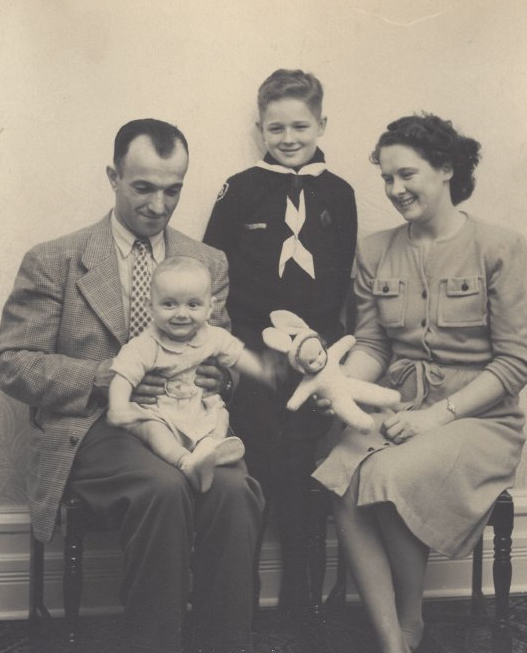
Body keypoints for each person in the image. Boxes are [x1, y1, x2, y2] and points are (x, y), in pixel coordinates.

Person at [0, 119, 264, 653]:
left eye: (173, 190)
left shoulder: (206, 261)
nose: (158, 205)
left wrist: (222, 375)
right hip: (95, 426)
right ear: (113, 177)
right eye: (143, 187)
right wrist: (104, 378)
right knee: (161, 489)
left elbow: (222, 345)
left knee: (235, 491)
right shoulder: (57, 259)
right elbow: (12, 361)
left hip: (188, 422)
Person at [312, 113, 527, 653]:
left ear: (446, 169)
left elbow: (514, 364)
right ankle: (393, 643)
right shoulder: (374, 250)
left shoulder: (501, 248)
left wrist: (437, 416)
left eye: (406, 175)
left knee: (387, 472)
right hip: (398, 403)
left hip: (479, 418)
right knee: (340, 476)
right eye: (386, 178)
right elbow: (374, 347)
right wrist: (339, 384)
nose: (395, 189)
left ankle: (411, 625)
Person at [203, 69, 357, 623]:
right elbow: (212, 273)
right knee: (254, 469)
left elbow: (341, 279)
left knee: (300, 471)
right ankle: (237, 604)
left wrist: (326, 349)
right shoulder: (240, 187)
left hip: (313, 355)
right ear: (259, 129)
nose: (288, 138)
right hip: (250, 355)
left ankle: (302, 605)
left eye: (300, 126)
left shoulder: (339, 193)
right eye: (276, 128)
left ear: (321, 124)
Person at [108, 255, 276, 494]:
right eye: (169, 304)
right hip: (161, 412)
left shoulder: (213, 337)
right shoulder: (146, 344)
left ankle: (209, 449)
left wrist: (262, 370)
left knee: (220, 415)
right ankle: (185, 462)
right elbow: (123, 376)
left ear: (210, 307)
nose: (181, 314)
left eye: (193, 305)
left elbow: (238, 356)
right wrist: (118, 407)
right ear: (150, 307)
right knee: (151, 429)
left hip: (197, 409)